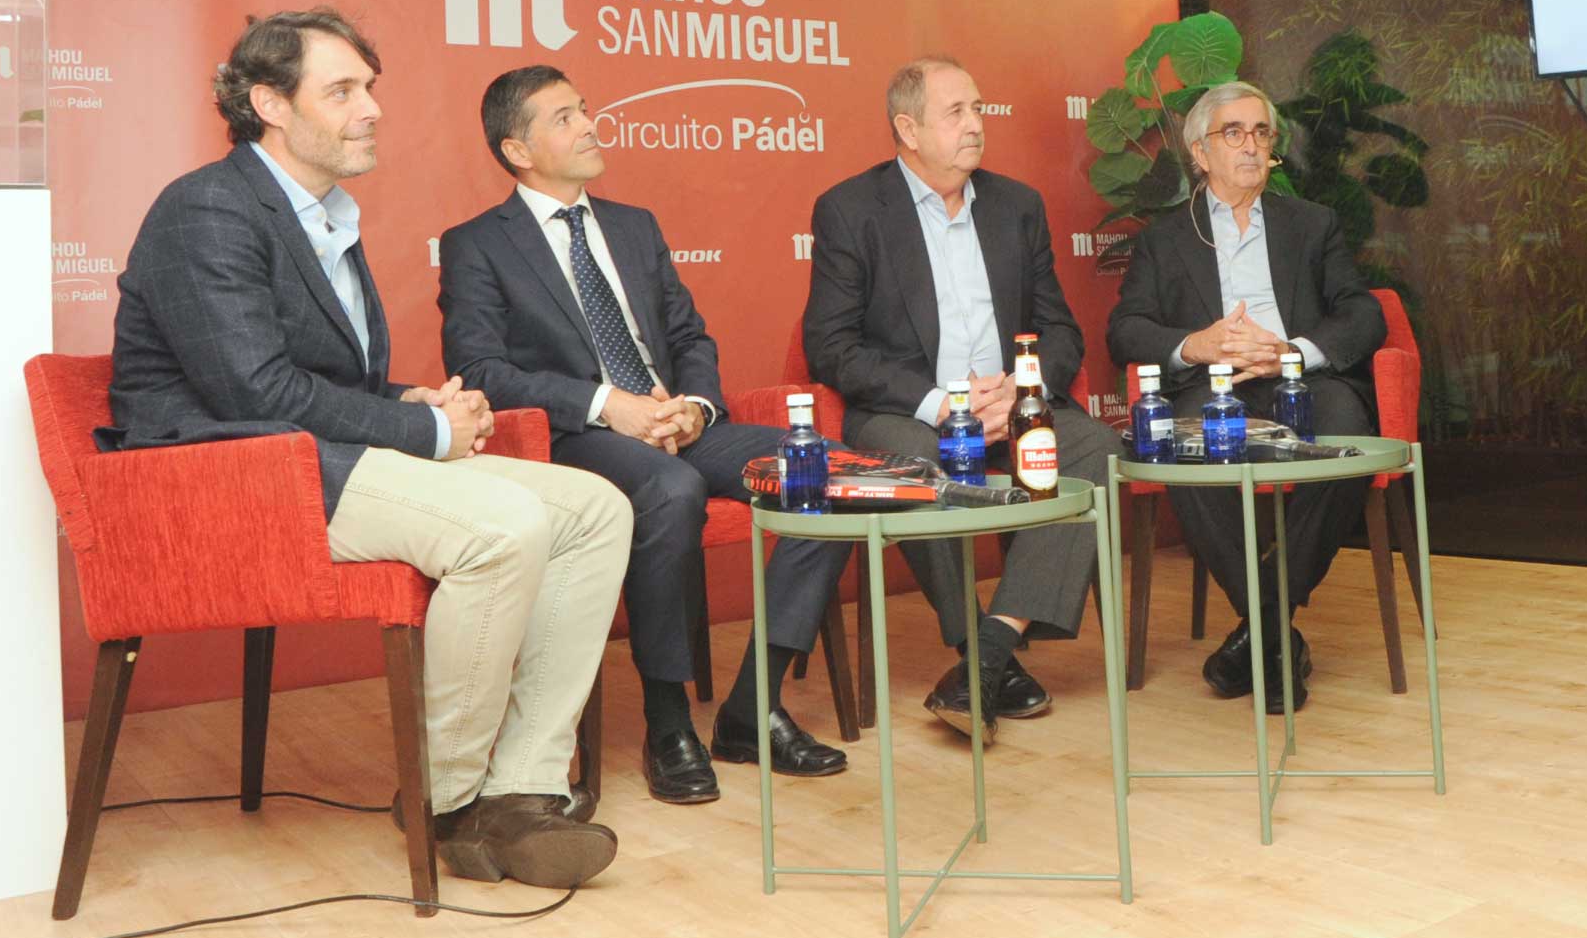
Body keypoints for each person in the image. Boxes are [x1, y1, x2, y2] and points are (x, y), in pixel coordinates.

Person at [108, 10, 632, 884]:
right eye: (343, 91)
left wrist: (408, 400)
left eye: (370, 88)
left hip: (306, 454)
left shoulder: (322, 214)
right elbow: (252, 394)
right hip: (234, 476)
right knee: (502, 526)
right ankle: (445, 800)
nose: (372, 108)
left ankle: (521, 788)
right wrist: (426, 430)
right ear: (271, 104)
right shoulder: (207, 209)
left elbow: (317, 378)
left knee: (595, 508)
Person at [438, 65, 850, 806]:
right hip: (576, 438)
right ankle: (669, 722)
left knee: (827, 470)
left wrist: (696, 407)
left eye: (584, 108)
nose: (589, 124)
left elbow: (689, 335)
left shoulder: (634, 226)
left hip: (674, 423)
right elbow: (483, 370)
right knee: (671, 488)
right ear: (517, 150)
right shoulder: (478, 245)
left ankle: (752, 708)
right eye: (565, 117)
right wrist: (609, 405)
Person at [801, 56, 1111, 740]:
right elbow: (831, 345)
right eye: (957, 113)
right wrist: (941, 404)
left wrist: (1023, 389)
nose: (976, 124)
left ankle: (993, 646)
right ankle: (980, 652)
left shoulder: (1016, 206)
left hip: (1010, 402)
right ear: (908, 129)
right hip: (912, 412)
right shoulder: (852, 210)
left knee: (1095, 449)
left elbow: (1060, 329)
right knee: (917, 466)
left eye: (978, 108)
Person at [1106, 80, 1383, 710]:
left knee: (1351, 437)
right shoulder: (1164, 239)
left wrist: (1292, 352)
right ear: (1200, 152)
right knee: (1183, 449)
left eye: (1261, 132)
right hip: (1210, 387)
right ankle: (1275, 636)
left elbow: (1363, 314)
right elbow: (1125, 330)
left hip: (1299, 382)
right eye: (1234, 132)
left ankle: (1260, 631)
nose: (1252, 145)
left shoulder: (1310, 224)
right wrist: (1197, 344)